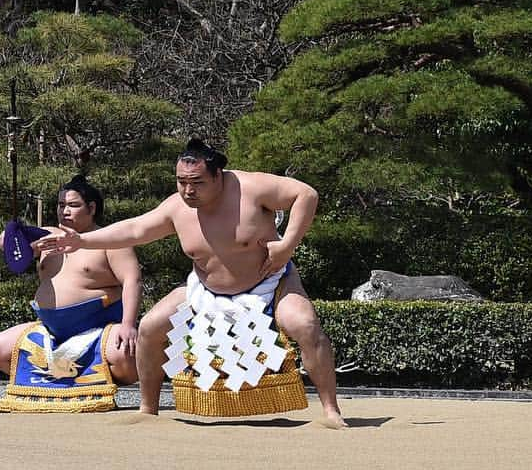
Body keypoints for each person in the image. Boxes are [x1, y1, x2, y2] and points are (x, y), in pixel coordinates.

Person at [36, 140, 346, 427]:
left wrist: (288, 244)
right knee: (150, 327)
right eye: (181, 182)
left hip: (270, 283)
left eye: (197, 182)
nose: (188, 190)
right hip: (205, 290)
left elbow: (306, 194)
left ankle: (330, 410)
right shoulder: (176, 207)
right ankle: (148, 409)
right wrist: (81, 240)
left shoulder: (251, 187)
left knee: (304, 324)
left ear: (219, 176)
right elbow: (134, 229)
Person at [0, 175, 141, 412]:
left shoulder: (110, 239)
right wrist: (27, 246)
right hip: (50, 331)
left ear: (92, 208)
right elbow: (4, 241)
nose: (64, 211)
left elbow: (132, 280)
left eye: (72, 205)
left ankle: (91, 382)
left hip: (98, 329)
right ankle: (64, 383)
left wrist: (128, 324)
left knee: (126, 359)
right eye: (60, 205)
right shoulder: (48, 235)